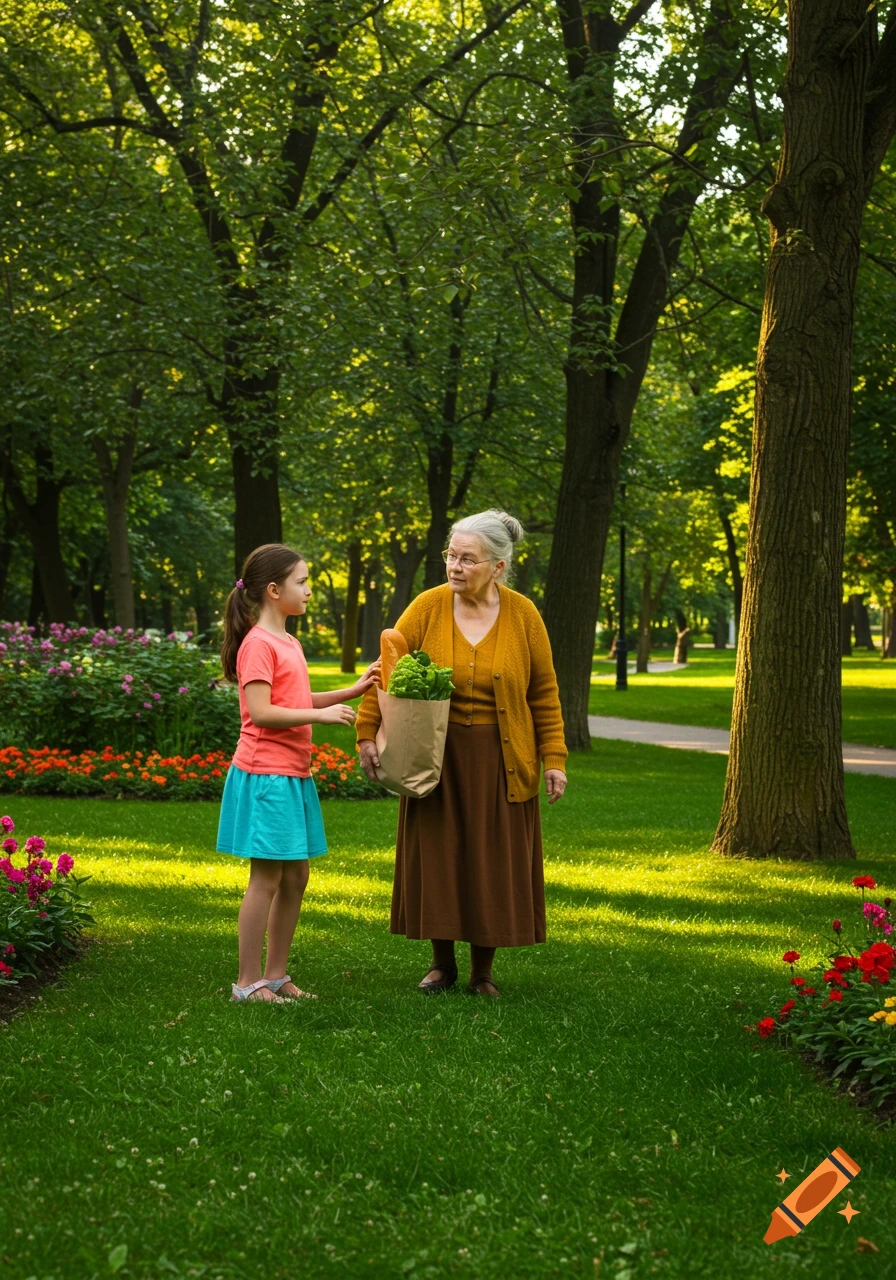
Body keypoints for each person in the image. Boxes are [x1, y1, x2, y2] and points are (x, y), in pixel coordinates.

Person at [356, 509, 567, 997]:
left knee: (491, 861)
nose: (454, 566)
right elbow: (385, 667)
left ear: (497, 566)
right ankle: (440, 965)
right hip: (437, 757)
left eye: (467, 559)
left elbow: (544, 692)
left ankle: (483, 972)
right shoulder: (428, 607)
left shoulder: (524, 615)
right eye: (451, 555)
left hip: (500, 758)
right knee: (440, 856)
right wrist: (368, 732)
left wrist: (553, 758)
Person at [218, 543, 379, 1003]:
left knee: (296, 878)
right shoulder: (258, 644)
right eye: (302, 582)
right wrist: (321, 718)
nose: (309, 590)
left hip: (292, 774)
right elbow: (262, 712)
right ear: (273, 590)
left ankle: (275, 976)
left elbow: (296, 697)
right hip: (266, 775)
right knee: (266, 878)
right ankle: (246, 984)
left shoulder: (288, 641)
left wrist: (354, 689)